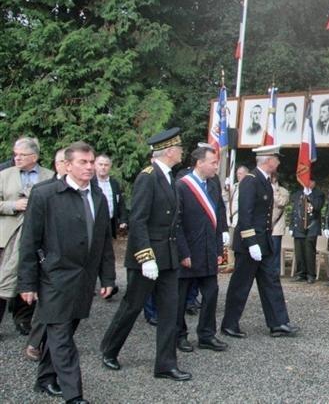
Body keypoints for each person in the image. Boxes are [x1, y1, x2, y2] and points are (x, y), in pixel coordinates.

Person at [18, 141, 116, 404]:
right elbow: (29, 241)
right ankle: (74, 395)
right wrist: (26, 283)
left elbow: (104, 241)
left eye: (91, 162)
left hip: (83, 280)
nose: (89, 167)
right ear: (67, 165)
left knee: (64, 332)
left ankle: (45, 379)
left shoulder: (98, 196)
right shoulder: (45, 194)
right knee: (61, 336)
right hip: (54, 278)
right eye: (82, 162)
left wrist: (108, 277)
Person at [100, 127, 192, 381]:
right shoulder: (148, 177)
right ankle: (109, 348)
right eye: (180, 148)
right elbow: (138, 220)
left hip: (169, 256)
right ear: (170, 151)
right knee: (132, 307)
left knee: (170, 310)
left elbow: (174, 222)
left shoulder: (170, 177)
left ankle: (165, 364)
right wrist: (145, 256)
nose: (182, 151)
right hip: (148, 257)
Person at [221, 145, 297, 339]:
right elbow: (246, 214)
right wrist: (251, 241)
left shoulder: (263, 181)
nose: (279, 162)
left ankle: (279, 323)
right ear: (267, 160)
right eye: (276, 159)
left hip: (263, 243)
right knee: (240, 285)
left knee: (271, 282)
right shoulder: (250, 181)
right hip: (250, 245)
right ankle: (229, 324)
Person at [175, 146, 227, 353]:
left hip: (208, 249)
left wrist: (220, 245)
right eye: (213, 162)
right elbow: (176, 223)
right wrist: (182, 252)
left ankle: (206, 334)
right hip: (189, 251)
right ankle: (179, 335)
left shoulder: (213, 184)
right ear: (199, 163)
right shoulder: (182, 186)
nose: (216, 166)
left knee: (211, 292)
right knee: (181, 297)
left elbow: (219, 212)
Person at [0, 137, 55, 336]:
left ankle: (23, 319)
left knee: (30, 277)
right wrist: (13, 205)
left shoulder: (50, 176)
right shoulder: (4, 175)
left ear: (34, 156)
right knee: (2, 280)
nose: (17, 158)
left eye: (22, 154)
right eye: (15, 154)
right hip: (6, 237)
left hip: (37, 236)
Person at [24, 148, 67, 362]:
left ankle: (53, 347)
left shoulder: (85, 189)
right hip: (48, 258)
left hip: (71, 260)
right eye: (61, 161)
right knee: (47, 304)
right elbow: (32, 235)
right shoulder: (44, 190)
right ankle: (35, 343)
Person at [289, 180, 324, 283]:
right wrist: (291, 226)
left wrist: (309, 196)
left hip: (312, 226)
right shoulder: (298, 194)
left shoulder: (318, 194)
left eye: (310, 181)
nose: (308, 183)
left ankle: (310, 274)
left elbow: (317, 207)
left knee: (309, 252)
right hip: (298, 226)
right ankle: (301, 273)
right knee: (299, 252)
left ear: (314, 183)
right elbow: (294, 211)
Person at [94, 154, 128, 239]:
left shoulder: (114, 183)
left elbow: (120, 203)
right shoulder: (90, 183)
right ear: (95, 165)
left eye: (106, 165)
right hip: (95, 225)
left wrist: (123, 220)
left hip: (111, 224)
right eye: (100, 164)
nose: (103, 167)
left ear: (110, 167)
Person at [270, 174, 290, 275]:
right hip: (264, 225)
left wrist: (274, 191)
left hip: (276, 225)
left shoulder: (283, 191)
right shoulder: (263, 187)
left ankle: (275, 272)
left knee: (275, 251)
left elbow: (281, 203)